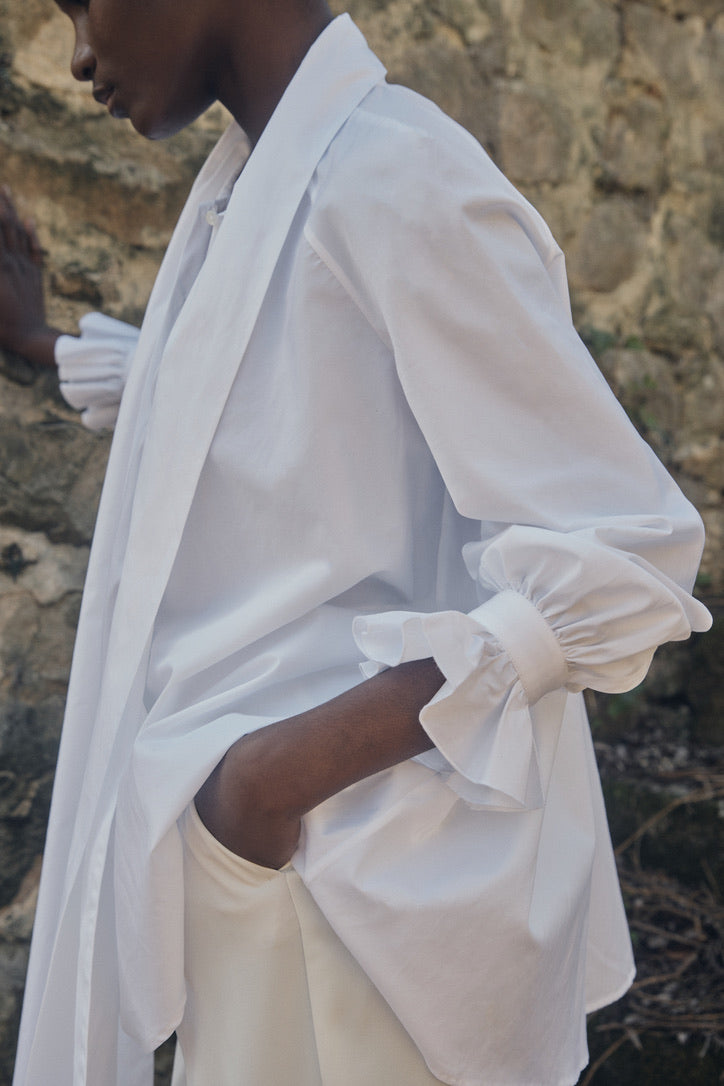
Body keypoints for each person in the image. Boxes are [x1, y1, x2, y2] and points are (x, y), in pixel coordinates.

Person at [1, 0, 712, 1083]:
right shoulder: (265, 187)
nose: (80, 56)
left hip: (355, 883)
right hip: (289, 866)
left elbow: (625, 547)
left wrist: (272, 780)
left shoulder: (389, 176)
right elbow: (260, 403)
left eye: (81, 3)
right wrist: (40, 342)